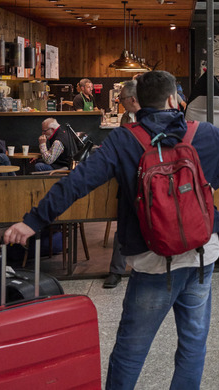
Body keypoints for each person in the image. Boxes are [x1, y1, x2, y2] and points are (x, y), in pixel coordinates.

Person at [3, 70, 219, 389]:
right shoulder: (202, 133)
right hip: (201, 252)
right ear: (173, 99)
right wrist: (209, 184)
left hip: (153, 260)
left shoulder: (124, 139)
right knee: (193, 346)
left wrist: (32, 222)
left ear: (137, 102)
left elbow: (76, 183)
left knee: (130, 351)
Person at [101, 80, 143, 289]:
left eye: (122, 99)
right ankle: (116, 271)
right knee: (123, 226)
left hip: (149, 177)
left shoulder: (149, 116)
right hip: (128, 175)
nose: (120, 102)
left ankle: (147, 271)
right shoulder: (126, 117)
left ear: (132, 99)